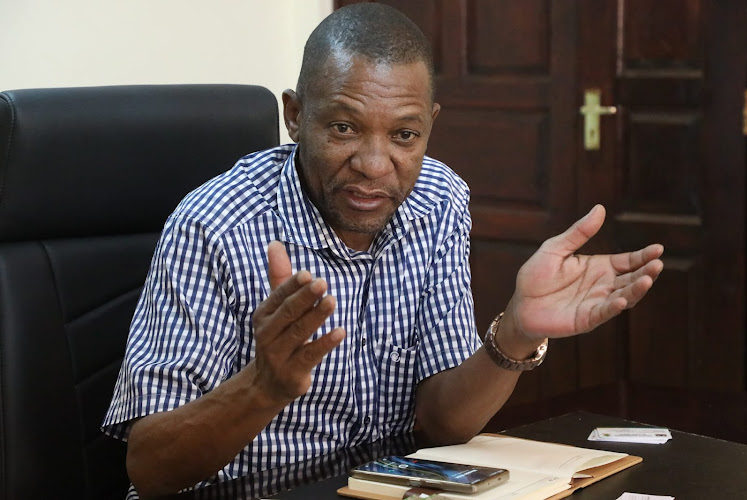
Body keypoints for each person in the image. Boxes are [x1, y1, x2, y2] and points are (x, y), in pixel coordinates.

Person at [102, 3, 664, 499]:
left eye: (404, 135)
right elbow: (150, 469)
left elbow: (443, 423)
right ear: (295, 116)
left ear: (430, 127)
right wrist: (262, 388)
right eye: (344, 128)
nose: (375, 165)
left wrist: (515, 331)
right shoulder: (216, 225)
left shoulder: (438, 199)